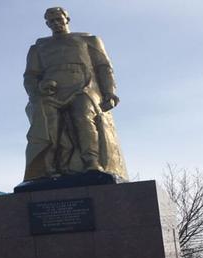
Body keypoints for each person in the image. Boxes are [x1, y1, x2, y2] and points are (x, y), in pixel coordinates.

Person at [22, 7, 127, 182]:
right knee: (48, 126)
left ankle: (91, 162)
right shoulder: (39, 47)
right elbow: (30, 76)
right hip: (51, 94)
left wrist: (109, 92)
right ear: (47, 24)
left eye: (59, 19)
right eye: (51, 21)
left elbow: (104, 67)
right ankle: (49, 168)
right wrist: (39, 88)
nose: (56, 23)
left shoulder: (88, 40)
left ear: (67, 19)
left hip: (83, 89)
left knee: (84, 117)